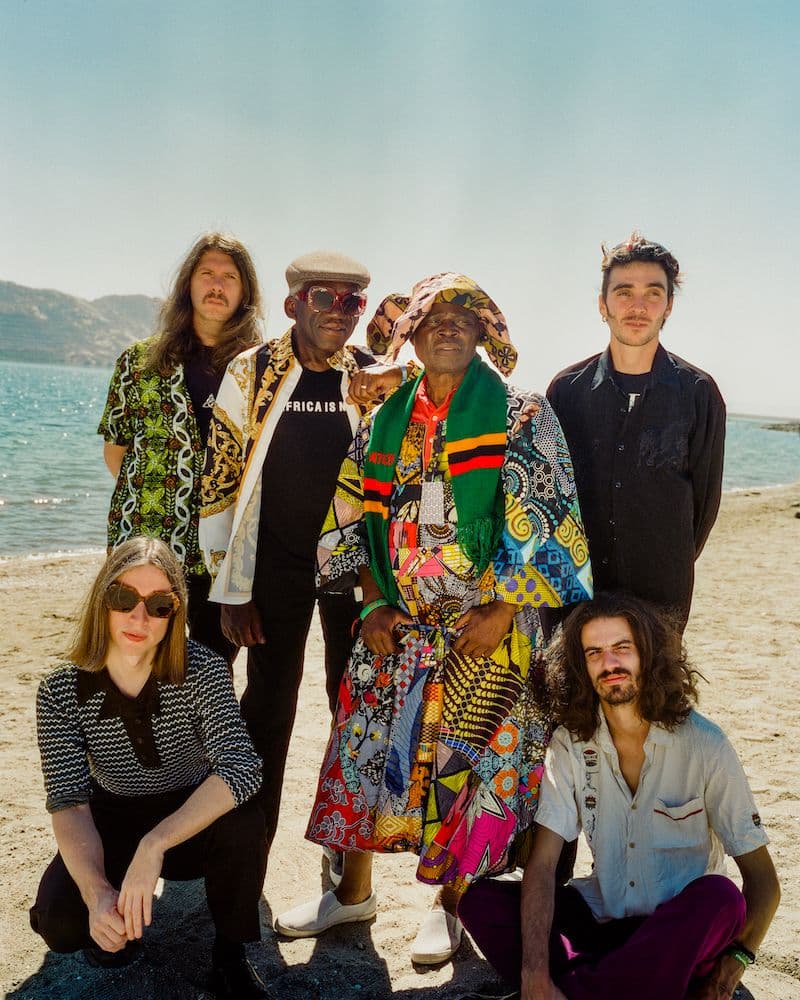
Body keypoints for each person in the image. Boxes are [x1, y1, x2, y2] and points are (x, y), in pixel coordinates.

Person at [274, 273, 592, 965]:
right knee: (359, 753)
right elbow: (350, 513)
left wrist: (506, 609)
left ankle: (450, 907)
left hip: (488, 630)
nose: (448, 324)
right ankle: (349, 891)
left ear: (484, 333)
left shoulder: (522, 415)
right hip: (394, 627)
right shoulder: (386, 419)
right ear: (409, 335)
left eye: (463, 316)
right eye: (432, 316)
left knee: (468, 766)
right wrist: (375, 601)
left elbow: (548, 513)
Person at [458, 593, 780, 1000]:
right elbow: (541, 865)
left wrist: (733, 967)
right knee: (480, 903)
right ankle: (616, 985)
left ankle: (584, 987)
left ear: (647, 654)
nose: (610, 663)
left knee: (721, 899)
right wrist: (534, 974)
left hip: (679, 933)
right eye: (594, 652)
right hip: (603, 920)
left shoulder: (705, 744)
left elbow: (763, 882)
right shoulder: (570, 743)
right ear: (580, 665)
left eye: (621, 648)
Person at [199, 250, 398, 869]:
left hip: (349, 572)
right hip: (273, 569)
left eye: (352, 302)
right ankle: (250, 850)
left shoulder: (371, 376)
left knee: (354, 705)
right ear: (293, 305)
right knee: (267, 708)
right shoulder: (252, 371)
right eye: (325, 298)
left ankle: (346, 855)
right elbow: (220, 480)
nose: (340, 312)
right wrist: (229, 588)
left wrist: (397, 384)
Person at [29, 537, 268, 998]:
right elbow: (69, 803)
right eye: (123, 598)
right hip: (112, 814)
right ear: (103, 600)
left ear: (175, 614)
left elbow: (241, 767)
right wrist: (97, 893)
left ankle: (230, 954)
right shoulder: (59, 691)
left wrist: (155, 844)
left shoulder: (204, 669)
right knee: (61, 920)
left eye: (159, 605)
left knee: (245, 821)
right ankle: (113, 914)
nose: (139, 618)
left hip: (188, 817)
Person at [98, 232, 264, 666]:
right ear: (187, 284)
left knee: (211, 667)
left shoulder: (260, 371)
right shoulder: (139, 362)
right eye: (206, 273)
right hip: (147, 541)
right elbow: (116, 453)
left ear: (245, 291)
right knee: (135, 656)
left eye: (230, 277)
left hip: (222, 552)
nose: (216, 285)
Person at [547, 233, 726, 629]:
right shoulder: (565, 391)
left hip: (661, 592)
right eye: (624, 292)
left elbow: (703, 507)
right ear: (602, 304)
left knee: (657, 690)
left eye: (653, 293)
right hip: (574, 589)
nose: (638, 306)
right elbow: (550, 497)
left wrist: (663, 557)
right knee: (566, 690)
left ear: (669, 306)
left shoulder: (699, 393)